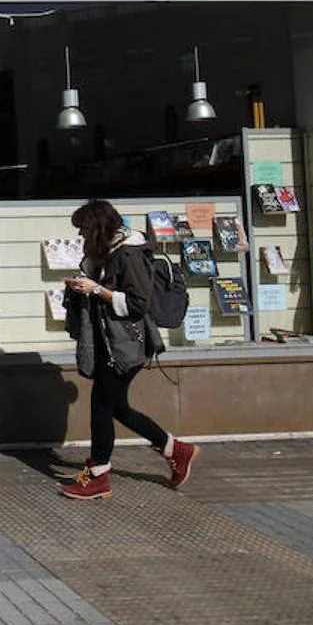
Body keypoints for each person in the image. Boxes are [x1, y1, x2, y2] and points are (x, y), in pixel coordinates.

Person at [60, 199, 199, 500]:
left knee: (101, 404)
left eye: (84, 230)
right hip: (113, 342)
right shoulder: (109, 252)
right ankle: (177, 449)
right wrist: (85, 284)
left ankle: (98, 476)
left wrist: (95, 289)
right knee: (117, 407)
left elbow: (138, 304)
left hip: (127, 345)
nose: (81, 236)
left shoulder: (129, 253)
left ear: (97, 228)